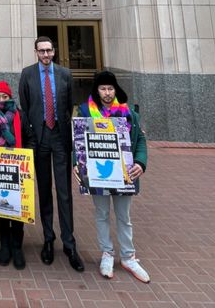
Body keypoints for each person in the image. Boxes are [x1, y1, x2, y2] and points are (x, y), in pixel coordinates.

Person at [73, 71, 149, 283]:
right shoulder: (86, 111)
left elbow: (141, 141)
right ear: (97, 91)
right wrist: (75, 165)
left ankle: (128, 256)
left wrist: (141, 163)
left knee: (124, 216)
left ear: (115, 90)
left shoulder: (129, 113)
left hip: (125, 174)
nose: (106, 93)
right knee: (102, 213)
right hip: (98, 173)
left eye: (110, 88)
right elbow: (77, 141)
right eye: (103, 88)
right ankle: (107, 253)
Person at [18, 36, 84, 271]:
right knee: (44, 190)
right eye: (41, 51)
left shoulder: (65, 74)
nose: (46, 55)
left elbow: (68, 106)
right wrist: (33, 135)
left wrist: (62, 128)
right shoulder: (27, 74)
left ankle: (69, 242)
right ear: (35, 52)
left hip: (60, 139)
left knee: (64, 192)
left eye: (49, 51)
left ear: (54, 52)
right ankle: (48, 238)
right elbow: (25, 107)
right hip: (40, 139)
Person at [0, 81, 35, 270]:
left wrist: (27, 157)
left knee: (18, 209)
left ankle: (17, 247)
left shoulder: (20, 114)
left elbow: (30, 138)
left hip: (18, 168)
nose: (1, 100)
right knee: (1, 207)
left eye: (5, 97)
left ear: (10, 97)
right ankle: (4, 245)